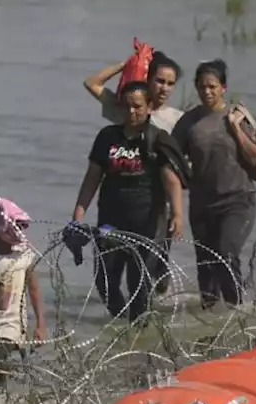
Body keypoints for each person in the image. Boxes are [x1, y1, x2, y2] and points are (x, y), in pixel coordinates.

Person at [72, 81, 187, 322]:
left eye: (137, 106)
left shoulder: (157, 139)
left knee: (139, 284)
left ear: (149, 107)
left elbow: (172, 181)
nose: (132, 112)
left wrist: (177, 215)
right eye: (127, 106)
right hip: (110, 222)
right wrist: (78, 215)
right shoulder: (107, 137)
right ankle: (121, 327)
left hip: (147, 224)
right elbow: (92, 178)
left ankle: (139, 332)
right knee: (105, 281)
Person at [171, 59, 256, 310]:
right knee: (206, 266)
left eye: (212, 86)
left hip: (238, 200)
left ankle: (238, 310)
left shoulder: (238, 116)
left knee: (226, 254)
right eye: (201, 87)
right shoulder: (189, 122)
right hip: (202, 204)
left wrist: (236, 129)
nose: (206, 92)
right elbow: (170, 160)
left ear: (223, 87)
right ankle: (210, 320)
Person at [0, 198, 46, 393]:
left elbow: (34, 289)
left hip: (14, 326)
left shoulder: (24, 256)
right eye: (14, 226)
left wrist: (40, 324)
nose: (19, 231)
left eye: (21, 226)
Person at [84, 50, 185, 133]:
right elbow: (91, 83)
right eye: (160, 81)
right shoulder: (127, 109)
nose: (164, 89)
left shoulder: (178, 119)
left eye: (170, 84)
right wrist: (128, 63)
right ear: (148, 79)